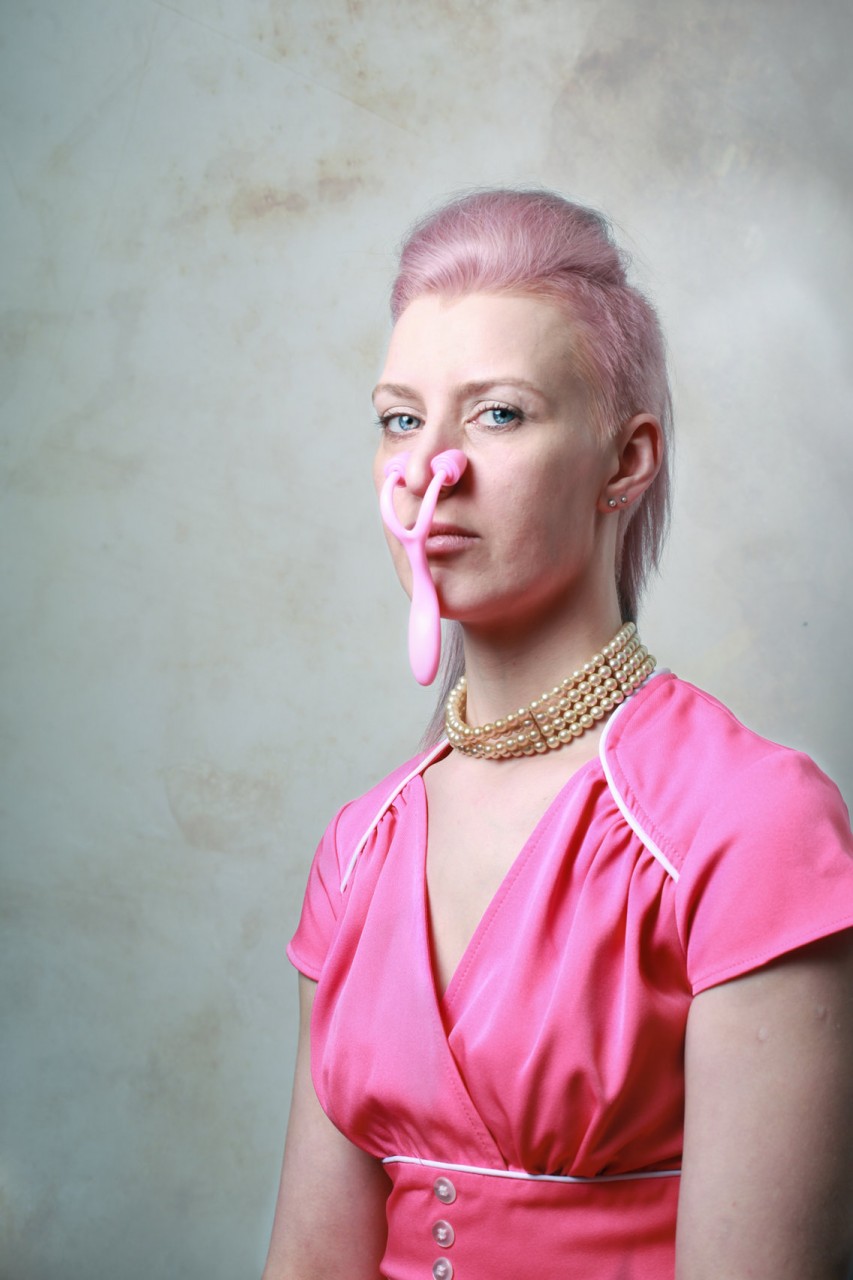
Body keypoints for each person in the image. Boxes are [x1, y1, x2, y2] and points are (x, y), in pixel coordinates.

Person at [262, 189, 853, 1279]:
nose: (429, 470)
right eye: (400, 418)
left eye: (497, 415)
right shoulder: (355, 852)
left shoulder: (750, 827)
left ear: (625, 461)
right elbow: (309, 1260)